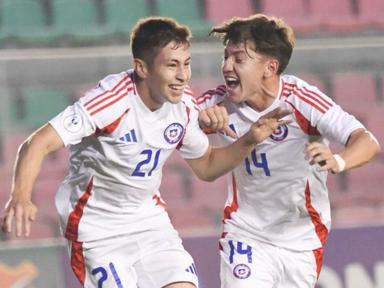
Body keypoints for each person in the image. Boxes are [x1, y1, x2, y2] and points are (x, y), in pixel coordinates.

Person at [1, 17, 289, 288]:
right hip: (98, 231)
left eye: (186, 64)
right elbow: (37, 143)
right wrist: (21, 197)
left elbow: (207, 167)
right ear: (142, 68)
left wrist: (250, 140)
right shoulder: (110, 101)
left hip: (149, 223)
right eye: (171, 66)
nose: (182, 76)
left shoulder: (184, 106)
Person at [197, 14, 381, 288]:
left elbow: (367, 141)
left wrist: (338, 161)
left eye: (238, 59)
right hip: (246, 233)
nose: (226, 67)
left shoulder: (301, 99)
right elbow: (173, 118)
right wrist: (200, 120)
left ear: (269, 67)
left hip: (301, 239)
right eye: (225, 57)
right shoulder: (218, 103)